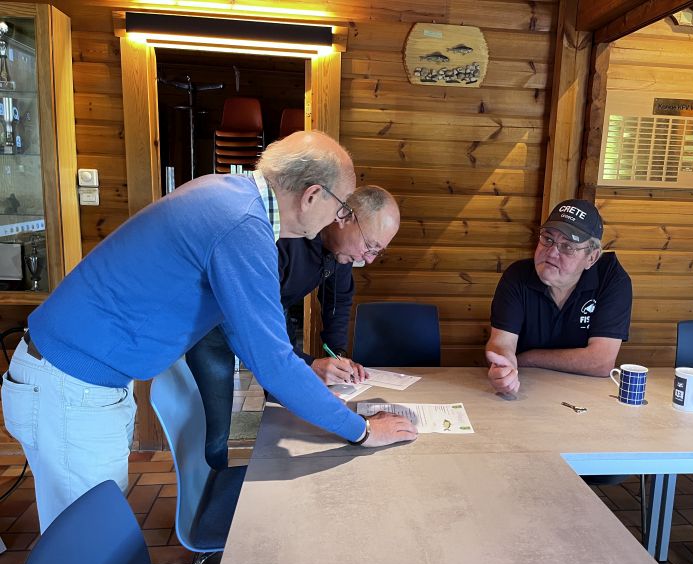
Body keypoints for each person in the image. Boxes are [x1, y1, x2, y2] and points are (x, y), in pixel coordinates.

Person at [1, 131, 417, 533]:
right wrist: (363, 431)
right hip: (70, 387)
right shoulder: (242, 224)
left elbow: (242, 333)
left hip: (75, 381)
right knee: (88, 549)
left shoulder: (230, 197)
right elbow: (273, 364)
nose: (339, 218)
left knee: (90, 539)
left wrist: (305, 372)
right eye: (342, 209)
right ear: (311, 196)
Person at [186, 185, 401, 472]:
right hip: (216, 322)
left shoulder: (342, 252)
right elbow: (263, 345)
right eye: (370, 246)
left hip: (271, 312)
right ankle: (214, 488)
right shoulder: (286, 237)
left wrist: (336, 355)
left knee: (281, 408)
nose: (369, 258)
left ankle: (276, 468)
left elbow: (338, 301)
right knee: (216, 427)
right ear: (346, 217)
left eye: (378, 252)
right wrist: (309, 366)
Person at [485, 199, 632, 394]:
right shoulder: (517, 276)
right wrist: (505, 367)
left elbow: (601, 362)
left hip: (586, 393)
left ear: (592, 257)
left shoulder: (611, 280)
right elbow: (502, 343)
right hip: (526, 389)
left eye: (568, 246)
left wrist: (528, 358)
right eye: (548, 239)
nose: (552, 252)